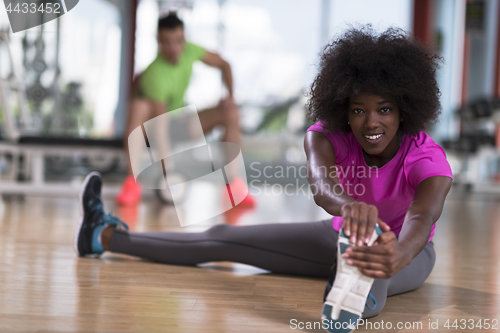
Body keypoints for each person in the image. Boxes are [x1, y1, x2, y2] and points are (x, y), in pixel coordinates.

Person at [75, 27, 452, 332]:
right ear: (344, 111)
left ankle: (353, 290)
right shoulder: (323, 135)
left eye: (384, 110)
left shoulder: (426, 157)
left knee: (371, 267)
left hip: (407, 251)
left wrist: (398, 254)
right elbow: (322, 186)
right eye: (359, 110)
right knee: (218, 238)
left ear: (404, 110)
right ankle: (104, 235)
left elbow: (422, 217)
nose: (371, 122)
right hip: (336, 234)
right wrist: (349, 207)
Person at [117, 12, 254, 207]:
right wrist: (169, 176)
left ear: (184, 39)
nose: (174, 48)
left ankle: (235, 187)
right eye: (167, 42)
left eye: (178, 41)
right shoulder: (155, 74)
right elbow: (160, 126)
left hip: (180, 121)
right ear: (158, 41)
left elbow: (225, 64)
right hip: (154, 129)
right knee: (139, 106)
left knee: (230, 112)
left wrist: (230, 96)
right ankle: (131, 182)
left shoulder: (190, 51)